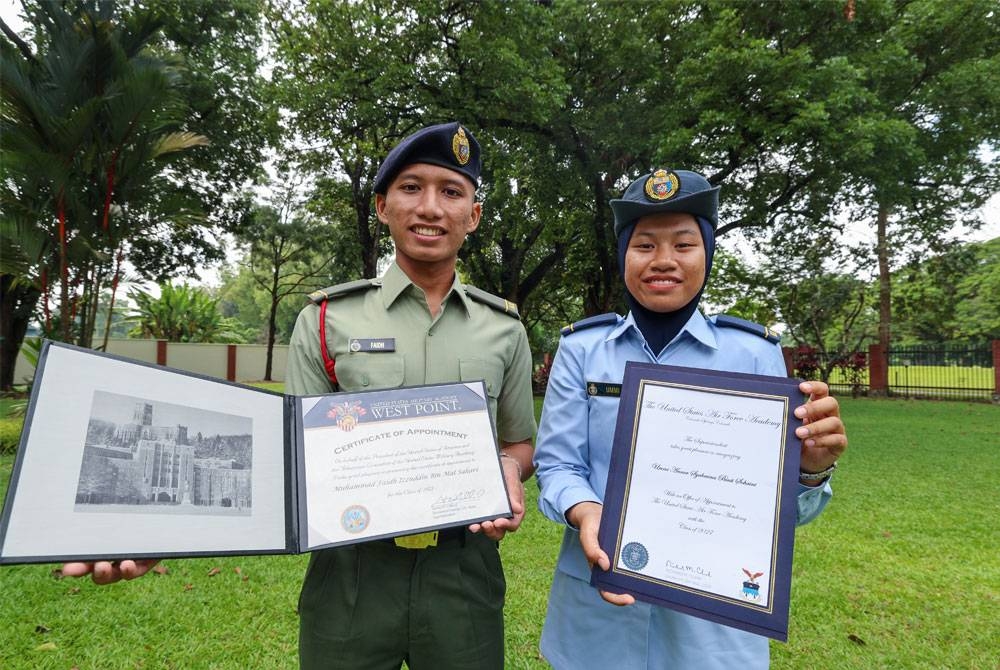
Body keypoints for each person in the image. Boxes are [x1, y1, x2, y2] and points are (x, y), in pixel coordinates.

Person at [62, 122, 537, 670]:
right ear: (382, 207)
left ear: (472, 216)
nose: (430, 206)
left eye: (451, 192)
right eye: (411, 187)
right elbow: (291, 460)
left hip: (464, 572)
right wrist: (164, 527)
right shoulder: (326, 317)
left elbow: (519, 443)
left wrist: (506, 467)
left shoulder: (504, 329)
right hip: (351, 574)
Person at [532, 168, 848, 669]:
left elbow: (779, 512)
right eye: (643, 246)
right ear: (622, 257)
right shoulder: (581, 349)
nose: (663, 261)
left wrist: (809, 469)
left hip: (711, 628)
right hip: (596, 613)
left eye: (683, 244)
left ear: (707, 254)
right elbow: (557, 467)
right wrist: (586, 512)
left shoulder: (754, 355)